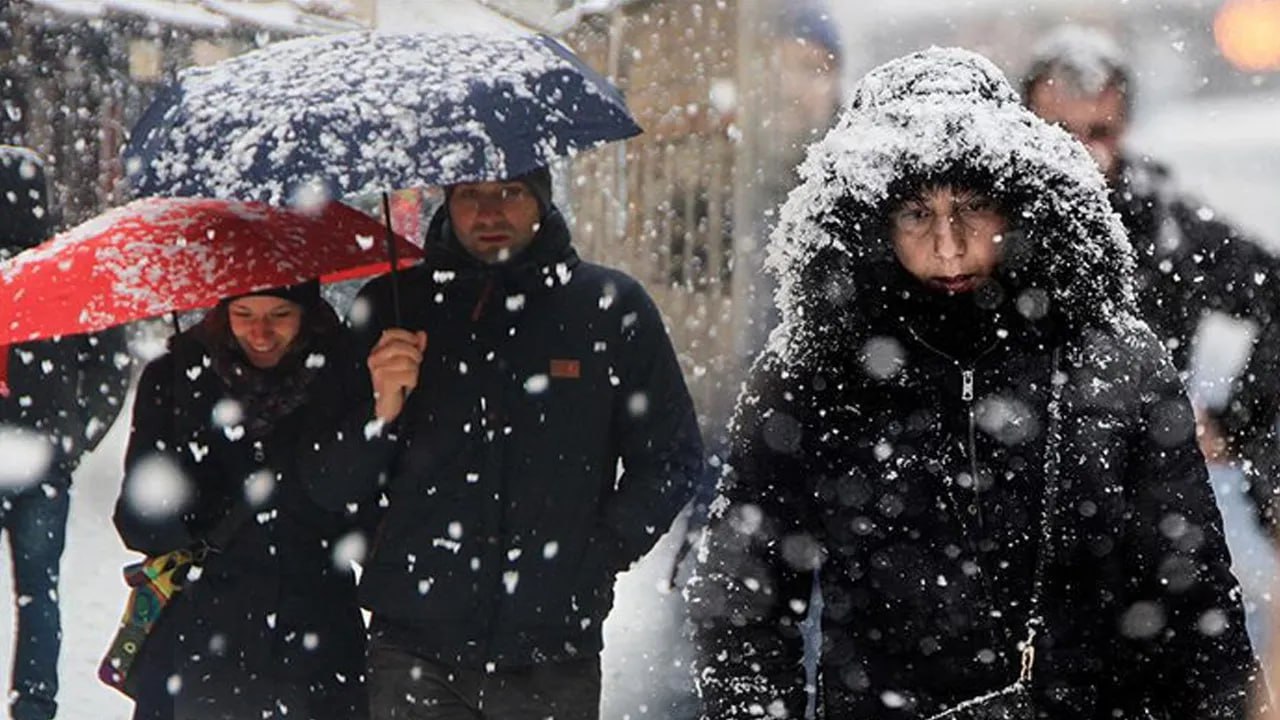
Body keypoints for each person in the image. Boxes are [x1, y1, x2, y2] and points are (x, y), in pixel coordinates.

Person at [687, 47, 1258, 719]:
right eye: (916, 213)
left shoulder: (1112, 359)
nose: (950, 245)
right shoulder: (810, 375)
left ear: (1020, 205)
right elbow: (744, 610)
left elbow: (1194, 609)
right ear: (868, 222)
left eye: (973, 207)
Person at [306, 165, 704, 719]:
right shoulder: (393, 308)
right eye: (470, 193)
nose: (488, 212)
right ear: (447, 199)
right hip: (413, 648)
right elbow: (328, 482)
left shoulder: (609, 307)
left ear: (542, 198)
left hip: (551, 652)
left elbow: (671, 457)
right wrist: (380, 412)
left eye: (510, 192)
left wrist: (598, 553)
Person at [1021, 24, 1280, 532]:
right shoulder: (979, 223)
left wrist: (1237, 423)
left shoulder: (1167, 226)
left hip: (1143, 503)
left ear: (1123, 127)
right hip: (1012, 496)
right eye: (1060, 131)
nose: (1081, 151)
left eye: (1099, 132)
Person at [113, 281, 371, 720]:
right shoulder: (175, 380)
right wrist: (182, 490)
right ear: (222, 314)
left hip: (319, 642)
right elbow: (137, 525)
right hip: (204, 638)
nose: (261, 332)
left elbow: (360, 510)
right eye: (244, 314)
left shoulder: (345, 379)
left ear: (308, 316)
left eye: (280, 315)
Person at [0, 145, 131, 720]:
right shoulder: (67, 274)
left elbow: (109, 366)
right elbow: (110, 366)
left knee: (38, 592)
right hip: (45, 457)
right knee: (39, 592)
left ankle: (34, 704)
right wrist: (75, 436)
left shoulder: (64, 274)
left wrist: (73, 438)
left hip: (42, 456)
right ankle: (34, 706)